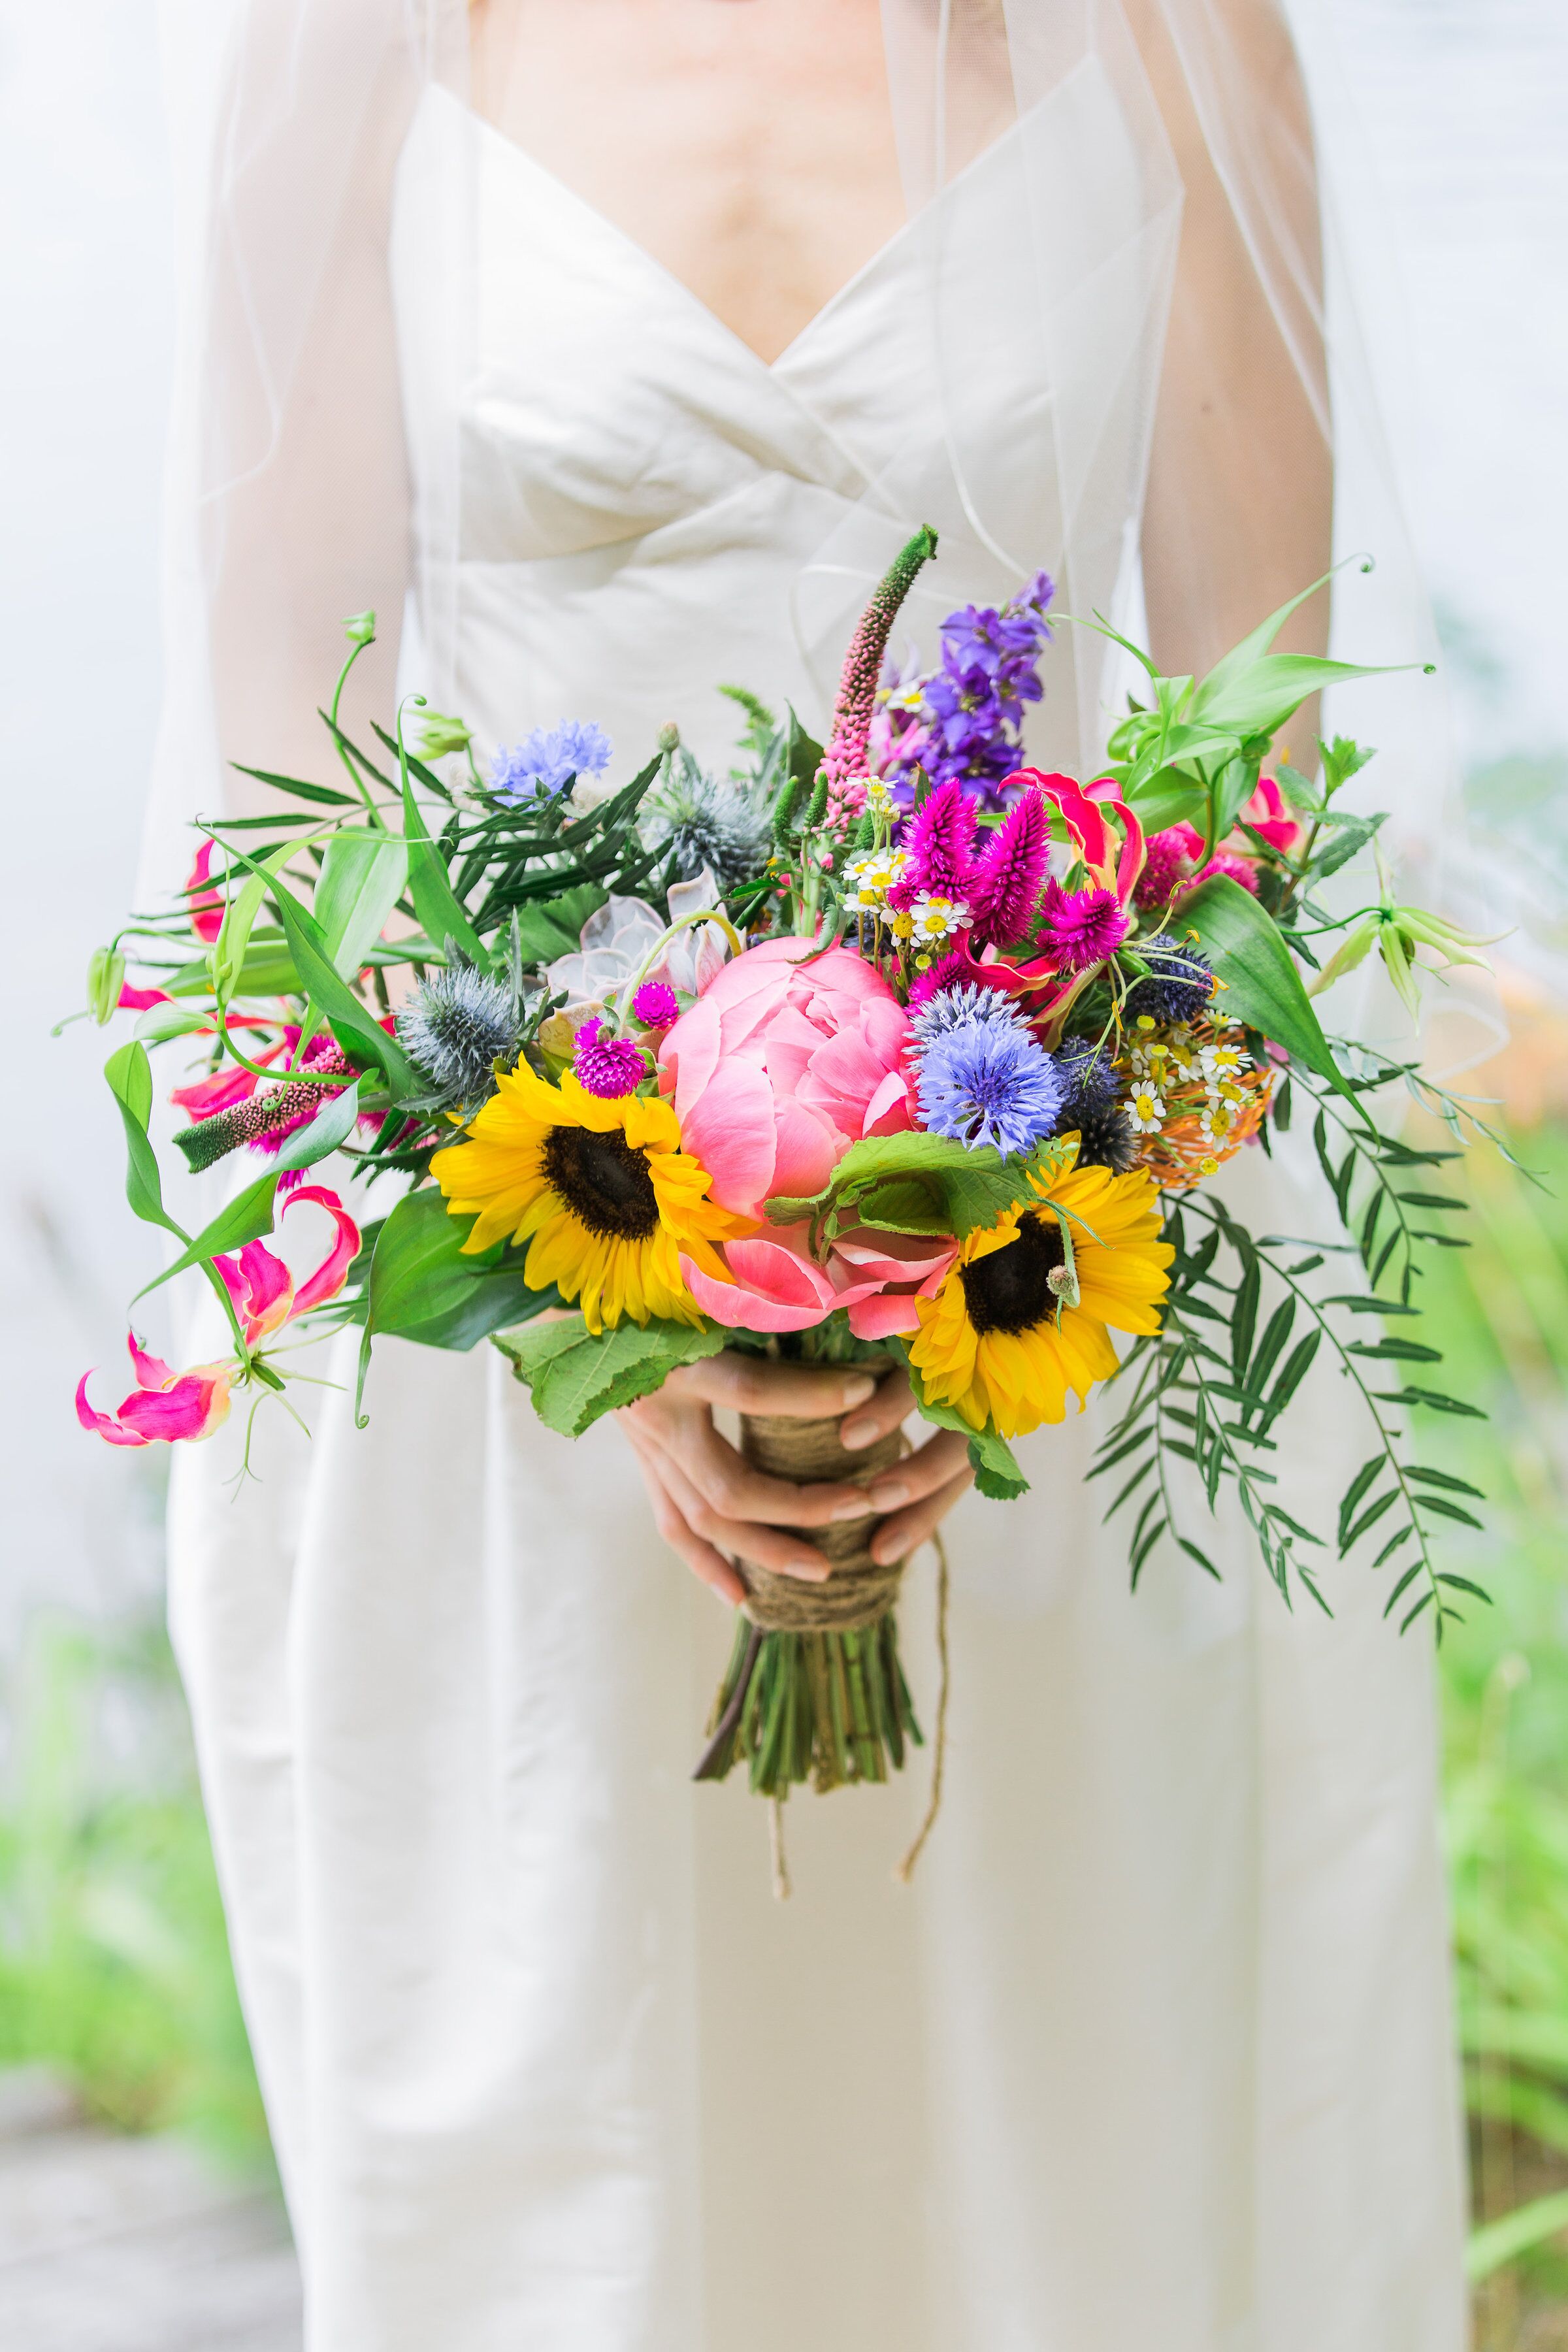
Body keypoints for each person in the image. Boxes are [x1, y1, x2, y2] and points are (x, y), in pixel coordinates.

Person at [155, 3, 1466, 2344]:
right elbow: (290, 753)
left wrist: (973, 1259)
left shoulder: (1180, 43)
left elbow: (1257, 777)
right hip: (526, 1331)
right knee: (596, 2210)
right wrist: (616, 1309)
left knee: (1054, 2184)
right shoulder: (370, 40)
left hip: (1056, 1335)